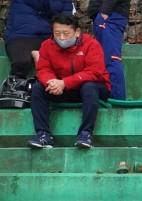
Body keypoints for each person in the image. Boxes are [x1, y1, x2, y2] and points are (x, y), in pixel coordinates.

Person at [27, 13, 108, 151]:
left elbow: (94, 72)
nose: (61, 37)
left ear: (77, 32)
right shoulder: (47, 45)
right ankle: (43, 134)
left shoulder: (91, 45)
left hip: (91, 87)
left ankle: (85, 134)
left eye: (66, 33)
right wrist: (51, 82)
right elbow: (43, 68)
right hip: (61, 87)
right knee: (37, 88)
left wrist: (65, 82)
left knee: (89, 87)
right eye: (57, 33)